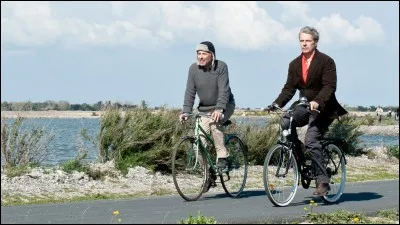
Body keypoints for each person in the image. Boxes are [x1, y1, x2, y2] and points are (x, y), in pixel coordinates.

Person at [266, 26, 348, 196]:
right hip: (304, 105)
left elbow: (329, 86)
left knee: (312, 139)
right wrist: (276, 103)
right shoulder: (295, 64)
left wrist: (317, 101)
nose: (304, 44)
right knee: (285, 121)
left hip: (324, 107)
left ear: (315, 42)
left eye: (308, 41)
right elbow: (289, 89)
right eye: (301, 41)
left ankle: (322, 181)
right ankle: (299, 152)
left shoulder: (326, 61)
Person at [179, 41, 236, 191]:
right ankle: (208, 175)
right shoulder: (193, 69)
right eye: (198, 53)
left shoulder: (221, 67)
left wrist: (219, 108)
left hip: (225, 105)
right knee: (198, 142)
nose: (201, 56)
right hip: (204, 109)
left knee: (214, 122)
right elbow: (190, 92)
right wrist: (186, 111)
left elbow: (224, 90)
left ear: (212, 55)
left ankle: (222, 157)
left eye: (204, 53)